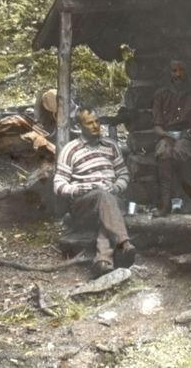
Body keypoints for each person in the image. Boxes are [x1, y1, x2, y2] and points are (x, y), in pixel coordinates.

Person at [53, 106, 136, 276]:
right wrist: (80, 189)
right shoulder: (70, 150)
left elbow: (123, 174)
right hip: (84, 204)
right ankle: (123, 242)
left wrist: (115, 187)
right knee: (101, 196)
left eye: (97, 121)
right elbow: (58, 184)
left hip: (110, 200)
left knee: (107, 202)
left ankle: (102, 261)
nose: (95, 126)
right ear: (79, 127)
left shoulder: (111, 146)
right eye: (89, 123)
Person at [151, 59, 191, 216]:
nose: (178, 74)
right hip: (167, 135)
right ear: (169, 73)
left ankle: (188, 199)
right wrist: (166, 135)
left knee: (180, 151)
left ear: (187, 71)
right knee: (163, 151)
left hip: (187, 135)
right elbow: (157, 125)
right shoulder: (161, 94)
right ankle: (165, 204)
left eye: (181, 70)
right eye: (174, 71)